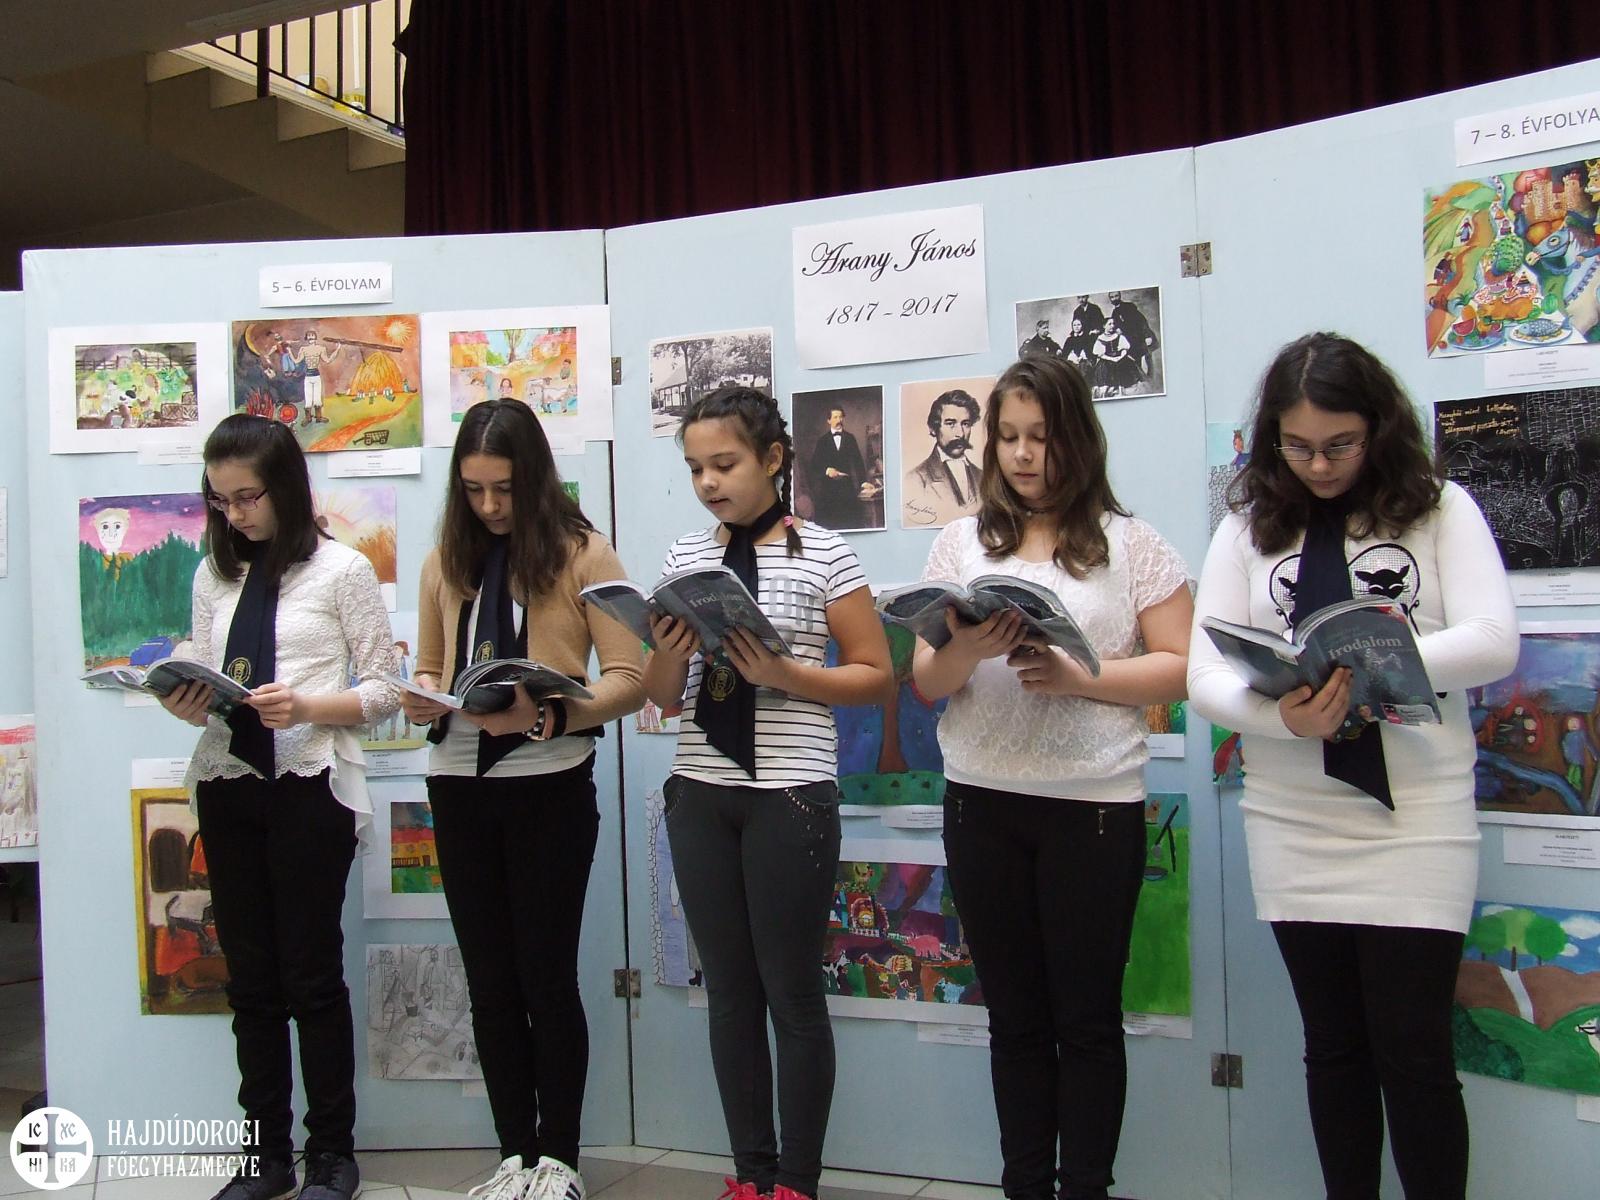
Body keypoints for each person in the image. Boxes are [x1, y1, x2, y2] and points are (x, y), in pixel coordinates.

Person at [1187, 332, 1519, 1200]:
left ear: (1379, 428)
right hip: (1293, 819)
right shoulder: (1246, 527)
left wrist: (1373, 665)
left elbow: (1493, 641)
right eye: (1298, 447)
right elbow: (1204, 676)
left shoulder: (1440, 509)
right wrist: (1285, 716)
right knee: (1333, 1048)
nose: (1320, 466)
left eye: (1341, 445)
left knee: (1414, 1054)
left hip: (1418, 819)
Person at [911, 355, 1193, 1200]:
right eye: (1008, 437)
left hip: (1093, 808)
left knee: (1088, 1024)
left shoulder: (1132, 545)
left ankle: (1086, 1190)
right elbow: (926, 681)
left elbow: (1181, 668)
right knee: (1015, 1022)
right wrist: (967, 646)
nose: (1024, 455)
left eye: (1041, 436)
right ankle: (1025, 1187)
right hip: (981, 803)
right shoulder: (961, 543)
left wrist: (1080, 677)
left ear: (1078, 440)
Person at [641, 386, 893, 1200]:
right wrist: (668, 650)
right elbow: (660, 696)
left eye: (724, 464)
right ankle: (749, 1176)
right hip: (700, 792)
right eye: (695, 469)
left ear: (774, 459)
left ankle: (796, 1182)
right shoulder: (687, 555)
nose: (708, 482)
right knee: (729, 992)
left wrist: (783, 674)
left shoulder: (826, 552)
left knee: (792, 994)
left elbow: (876, 677)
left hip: (790, 796)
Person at [399, 399, 645, 1200]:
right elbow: (432, 664)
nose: (489, 506)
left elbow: (629, 679)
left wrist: (546, 715)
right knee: (489, 981)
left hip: (547, 784)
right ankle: (514, 1155)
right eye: (473, 490)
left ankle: (559, 1160)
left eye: (503, 489)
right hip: (457, 782)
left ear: (533, 478)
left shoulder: (584, 553)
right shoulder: (445, 559)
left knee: (545, 977)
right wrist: (423, 693)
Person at [158, 414, 401, 1200]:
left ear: (286, 488)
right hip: (228, 784)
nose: (234, 514)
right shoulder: (213, 574)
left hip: (308, 786)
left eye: (248, 497)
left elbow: (385, 691)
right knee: (251, 983)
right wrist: (186, 699)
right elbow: (207, 672)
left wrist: (306, 707)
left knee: (310, 976)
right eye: (221, 500)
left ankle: (332, 1154)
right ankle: (264, 1156)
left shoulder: (342, 571)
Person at [903, 389, 983, 527]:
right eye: (950, 423)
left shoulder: (983, 477)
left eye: (965, 424)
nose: (960, 434)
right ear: (933, 428)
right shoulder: (915, 479)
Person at [805, 406, 868, 529]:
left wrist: (863, 482)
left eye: (840, 417)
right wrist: (827, 470)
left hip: (847, 489)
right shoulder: (822, 441)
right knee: (829, 525)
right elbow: (814, 466)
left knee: (850, 523)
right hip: (828, 491)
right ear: (829, 420)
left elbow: (858, 462)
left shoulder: (850, 438)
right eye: (835, 417)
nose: (839, 420)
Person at [1107, 291, 1158, 376]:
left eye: (1116, 296)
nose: (1114, 298)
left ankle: (1150, 381)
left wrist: (1147, 335)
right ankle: (1142, 380)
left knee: (1146, 361)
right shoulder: (1114, 313)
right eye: (1112, 297)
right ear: (1110, 299)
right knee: (1135, 363)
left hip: (1141, 338)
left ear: (1120, 296)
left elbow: (1141, 321)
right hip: (1130, 341)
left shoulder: (1129, 307)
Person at [1091, 317, 1141, 398]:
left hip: (1120, 358)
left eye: (1113, 324)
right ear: (1104, 326)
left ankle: (1124, 390)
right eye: (1109, 324)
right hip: (1106, 359)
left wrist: (1120, 357)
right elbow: (1100, 354)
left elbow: (1124, 349)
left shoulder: (1119, 336)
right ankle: (1110, 391)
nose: (1112, 326)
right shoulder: (1100, 338)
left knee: (1126, 366)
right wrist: (1112, 359)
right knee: (1104, 369)